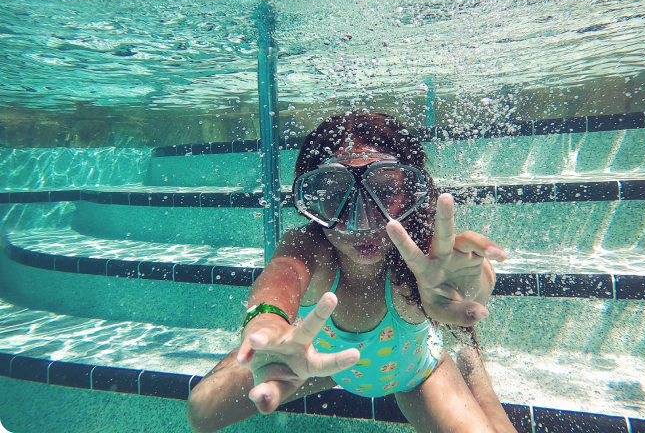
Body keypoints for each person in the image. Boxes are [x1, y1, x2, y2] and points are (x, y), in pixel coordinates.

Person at [187, 112, 517, 433]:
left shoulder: (425, 257)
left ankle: (476, 373)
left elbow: (468, 280)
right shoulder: (311, 247)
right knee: (201, 410)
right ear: (311, 203)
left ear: (411, 194)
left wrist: (471, 283)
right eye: (334, 194)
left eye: (385, 192)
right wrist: (268, 322)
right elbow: (283, 271)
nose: (363, 222)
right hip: (320, 363)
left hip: (414, 372)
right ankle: (328, 364)